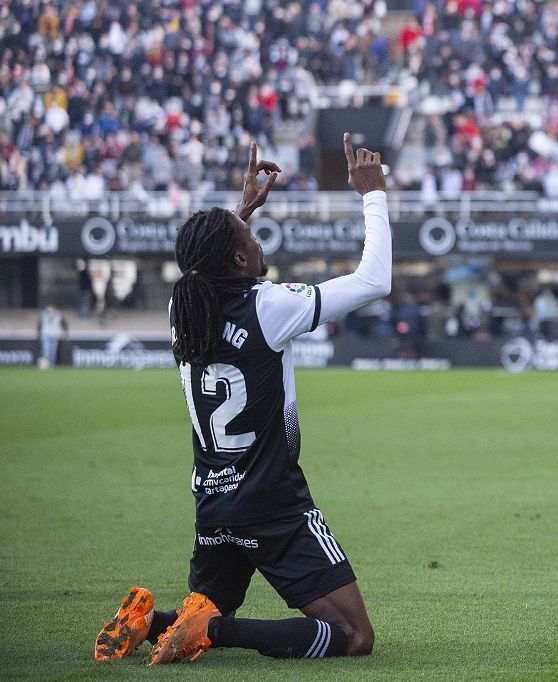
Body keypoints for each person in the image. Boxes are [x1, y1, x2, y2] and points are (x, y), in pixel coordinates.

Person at [94, 136, 390, 665]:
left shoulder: (182, 310)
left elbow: (209, 265)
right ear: (237, 255)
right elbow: (374, 280)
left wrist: (240, 212)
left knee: (210, 608)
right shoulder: (271, 307)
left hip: (213, 503)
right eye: (248, 237)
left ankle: (147, 621)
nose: (256, 242)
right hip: (273, 504)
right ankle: (209, 630)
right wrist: (373, 194)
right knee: (352, 636)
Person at [37, 304, 67, 368]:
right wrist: (39, 334)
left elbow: (64, 324)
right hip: (46, 335)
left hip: (54, 335)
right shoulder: (44, 315)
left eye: (51, 309)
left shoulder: (58, 315)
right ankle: (45, 364)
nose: (50, 310)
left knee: (53, 351)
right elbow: (40, 325)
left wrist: (65, 333)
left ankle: (52, 364)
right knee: (46, 351)